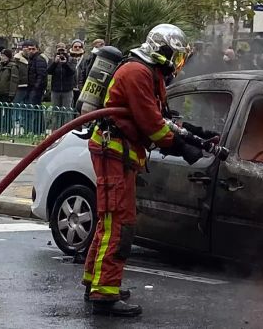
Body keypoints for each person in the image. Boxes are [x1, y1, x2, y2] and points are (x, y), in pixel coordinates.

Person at [83, 24, 208, 317]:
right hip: (114, 151)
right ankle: (105, 294)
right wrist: (182, 148)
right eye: (175, 57)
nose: (177, 64)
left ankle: (95, 281)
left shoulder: (148, 73)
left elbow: (161, 116)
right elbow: (152, 126)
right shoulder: (138, 73)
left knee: (109, 220)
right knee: (120, 223)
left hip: (119, 151)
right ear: (162, 52)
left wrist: (193, 133)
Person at [68, 39, 85, 106]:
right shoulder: (68, 58)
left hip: (81, 87)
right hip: (70, 87)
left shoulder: (85, 59)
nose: (77, 48)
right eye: (75, 46)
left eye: (79, 47)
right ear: (72, 47)